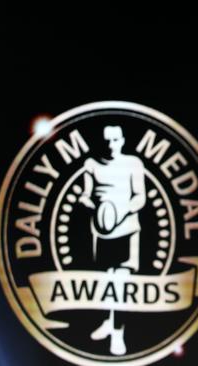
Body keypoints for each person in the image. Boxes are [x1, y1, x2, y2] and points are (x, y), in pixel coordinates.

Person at [78, 125, 146, 355]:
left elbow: (140, 197)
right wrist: (95, 208)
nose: (111, 145)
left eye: (115, 140)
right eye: (107, 140)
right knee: (108, 282)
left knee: (121, 284)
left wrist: (119, 212)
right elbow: (86, 195)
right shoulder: (91, 164)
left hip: (126, 230)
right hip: (101, 232)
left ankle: (118, 333)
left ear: (123, 140)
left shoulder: (134, 163)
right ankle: (109, 321)